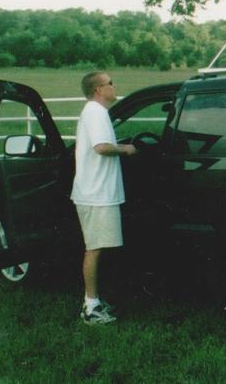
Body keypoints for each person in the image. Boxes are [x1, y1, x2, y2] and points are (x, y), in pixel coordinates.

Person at [71, 72, 137, 325]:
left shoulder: (95, 112)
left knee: (96, 248)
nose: (114, 86)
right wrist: (126, 149)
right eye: (110, 83)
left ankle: (94, 300)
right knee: (94, 250)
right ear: (99, 89)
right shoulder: (96, 112)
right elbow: (101, 147)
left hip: (99, 193)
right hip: (96, 195)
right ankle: (91, 307)